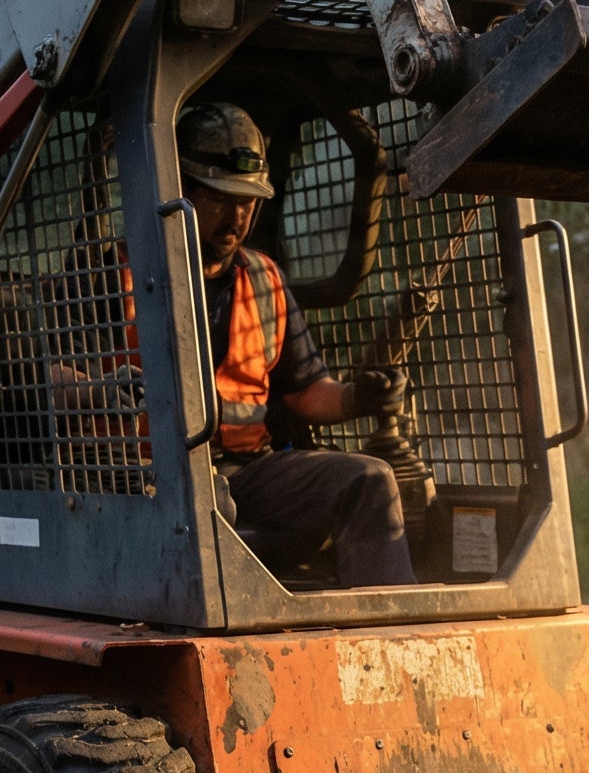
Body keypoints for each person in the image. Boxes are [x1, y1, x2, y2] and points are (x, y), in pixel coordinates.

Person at [176, 103, 417, 588]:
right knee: (208, 509)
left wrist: (356, 397)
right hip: (148, 479)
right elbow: (56, 377)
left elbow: (306, 391)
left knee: (368, 480)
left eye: (248, 201)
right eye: (222, 197)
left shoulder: (264, 280)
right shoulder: (112, 274)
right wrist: (97, 389)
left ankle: (395, 640)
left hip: (247, 473)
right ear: (181, 190)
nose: (237, 215)